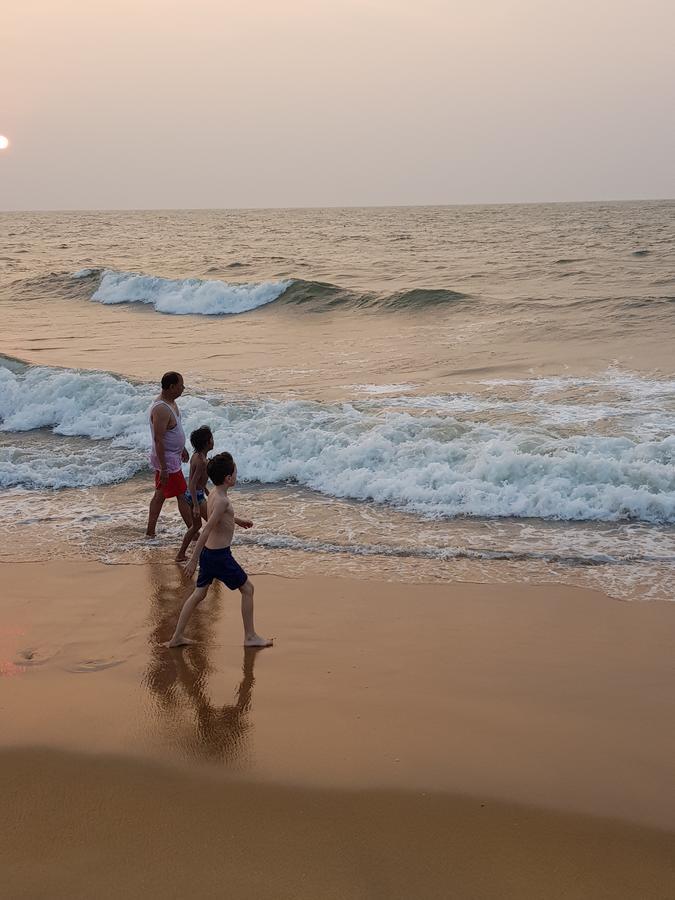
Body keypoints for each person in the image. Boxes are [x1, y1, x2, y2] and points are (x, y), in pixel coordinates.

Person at [166, 452, 273, 649]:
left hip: (209, 554)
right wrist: (193, 559)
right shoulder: (223, 500)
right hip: (219, 556)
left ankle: (177, 636)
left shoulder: (214, 493)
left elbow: (218, 516)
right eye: (235, 472)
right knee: (248, 589)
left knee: (198, 594)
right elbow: (207, 529)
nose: (236, 474)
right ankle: (250, 637)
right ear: (228, 478)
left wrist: (238, 521)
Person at [146, 371, 192, 537]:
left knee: (160, 495)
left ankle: (150, 532)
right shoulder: (161, 409)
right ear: (172, 387)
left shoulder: (172, 402)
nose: (183, 388)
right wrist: (164, 468)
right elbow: (158, 440)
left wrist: (183, 448)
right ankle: (193, 532)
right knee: (182, 495)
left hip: (172, 456)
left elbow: (175, 429)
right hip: (167, 460)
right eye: (181, 385)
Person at [175, 425, 214, 563]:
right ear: (207, 443)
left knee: (196, 527)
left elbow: (198, 482)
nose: (213, 441)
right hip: (195, 496)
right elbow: (192, 483)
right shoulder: (202, 462)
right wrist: (196, 505)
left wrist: (209, 492)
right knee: (213, 524)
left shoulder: (196, 456)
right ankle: (212, 554)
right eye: (211, 439)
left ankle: (180, 554)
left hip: (191, 494)